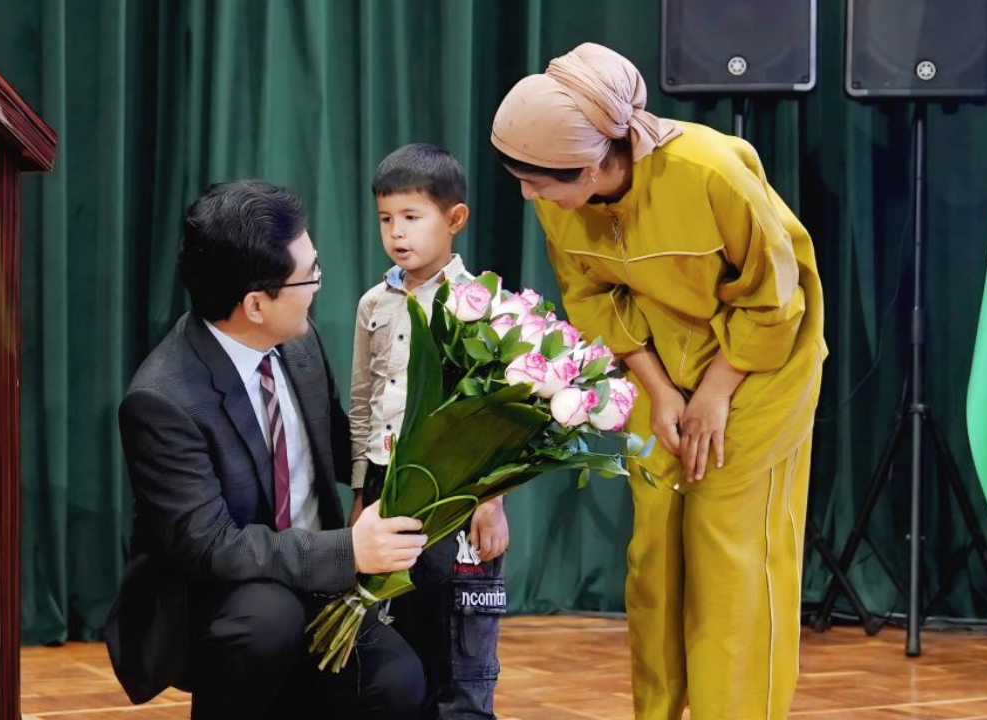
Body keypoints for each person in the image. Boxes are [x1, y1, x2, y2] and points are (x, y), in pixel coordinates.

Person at [491, 43, 827, 720]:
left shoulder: (711, 170)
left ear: (591, 164)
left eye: (537, 182)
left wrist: (714, 394)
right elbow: (591, 297)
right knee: (657, 550)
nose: (528, 196)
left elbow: (774, 299)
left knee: (731, 557)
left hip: (759, 368)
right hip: (661, 368)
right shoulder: (560, 198)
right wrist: (664, 390)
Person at [105, 179, 428, 720]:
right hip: (219, 599)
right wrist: (348, 551)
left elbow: (337, 439)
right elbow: (213, 548)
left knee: (398, 683)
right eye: (310, 275)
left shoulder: (297, 340)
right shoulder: (161, 400)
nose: (319, 285)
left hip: (314, 575)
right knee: (268, 618)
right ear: (256, 303)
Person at [348, 144, 508, 719]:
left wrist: (489, 500)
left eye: (412, 217)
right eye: (386, 219)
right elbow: (364, 401)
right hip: (391, 484)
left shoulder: (481, 302)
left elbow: (498, 413)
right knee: (401, 628)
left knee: (462, 638)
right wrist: (362, 493)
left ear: (455, 219)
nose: (397, 233)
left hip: (458, 489)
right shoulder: (374, 303)